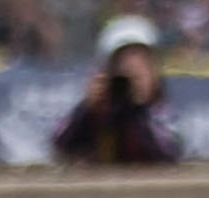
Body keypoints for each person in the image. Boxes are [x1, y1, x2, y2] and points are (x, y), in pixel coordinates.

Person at [51, 17, 181, 168]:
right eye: (123, 63)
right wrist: (87, 108)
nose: (133, 71)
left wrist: (138, 108)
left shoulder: (164, 112)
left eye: (142, 63)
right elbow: (61, 146)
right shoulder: (98, 111)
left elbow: (166, 153)